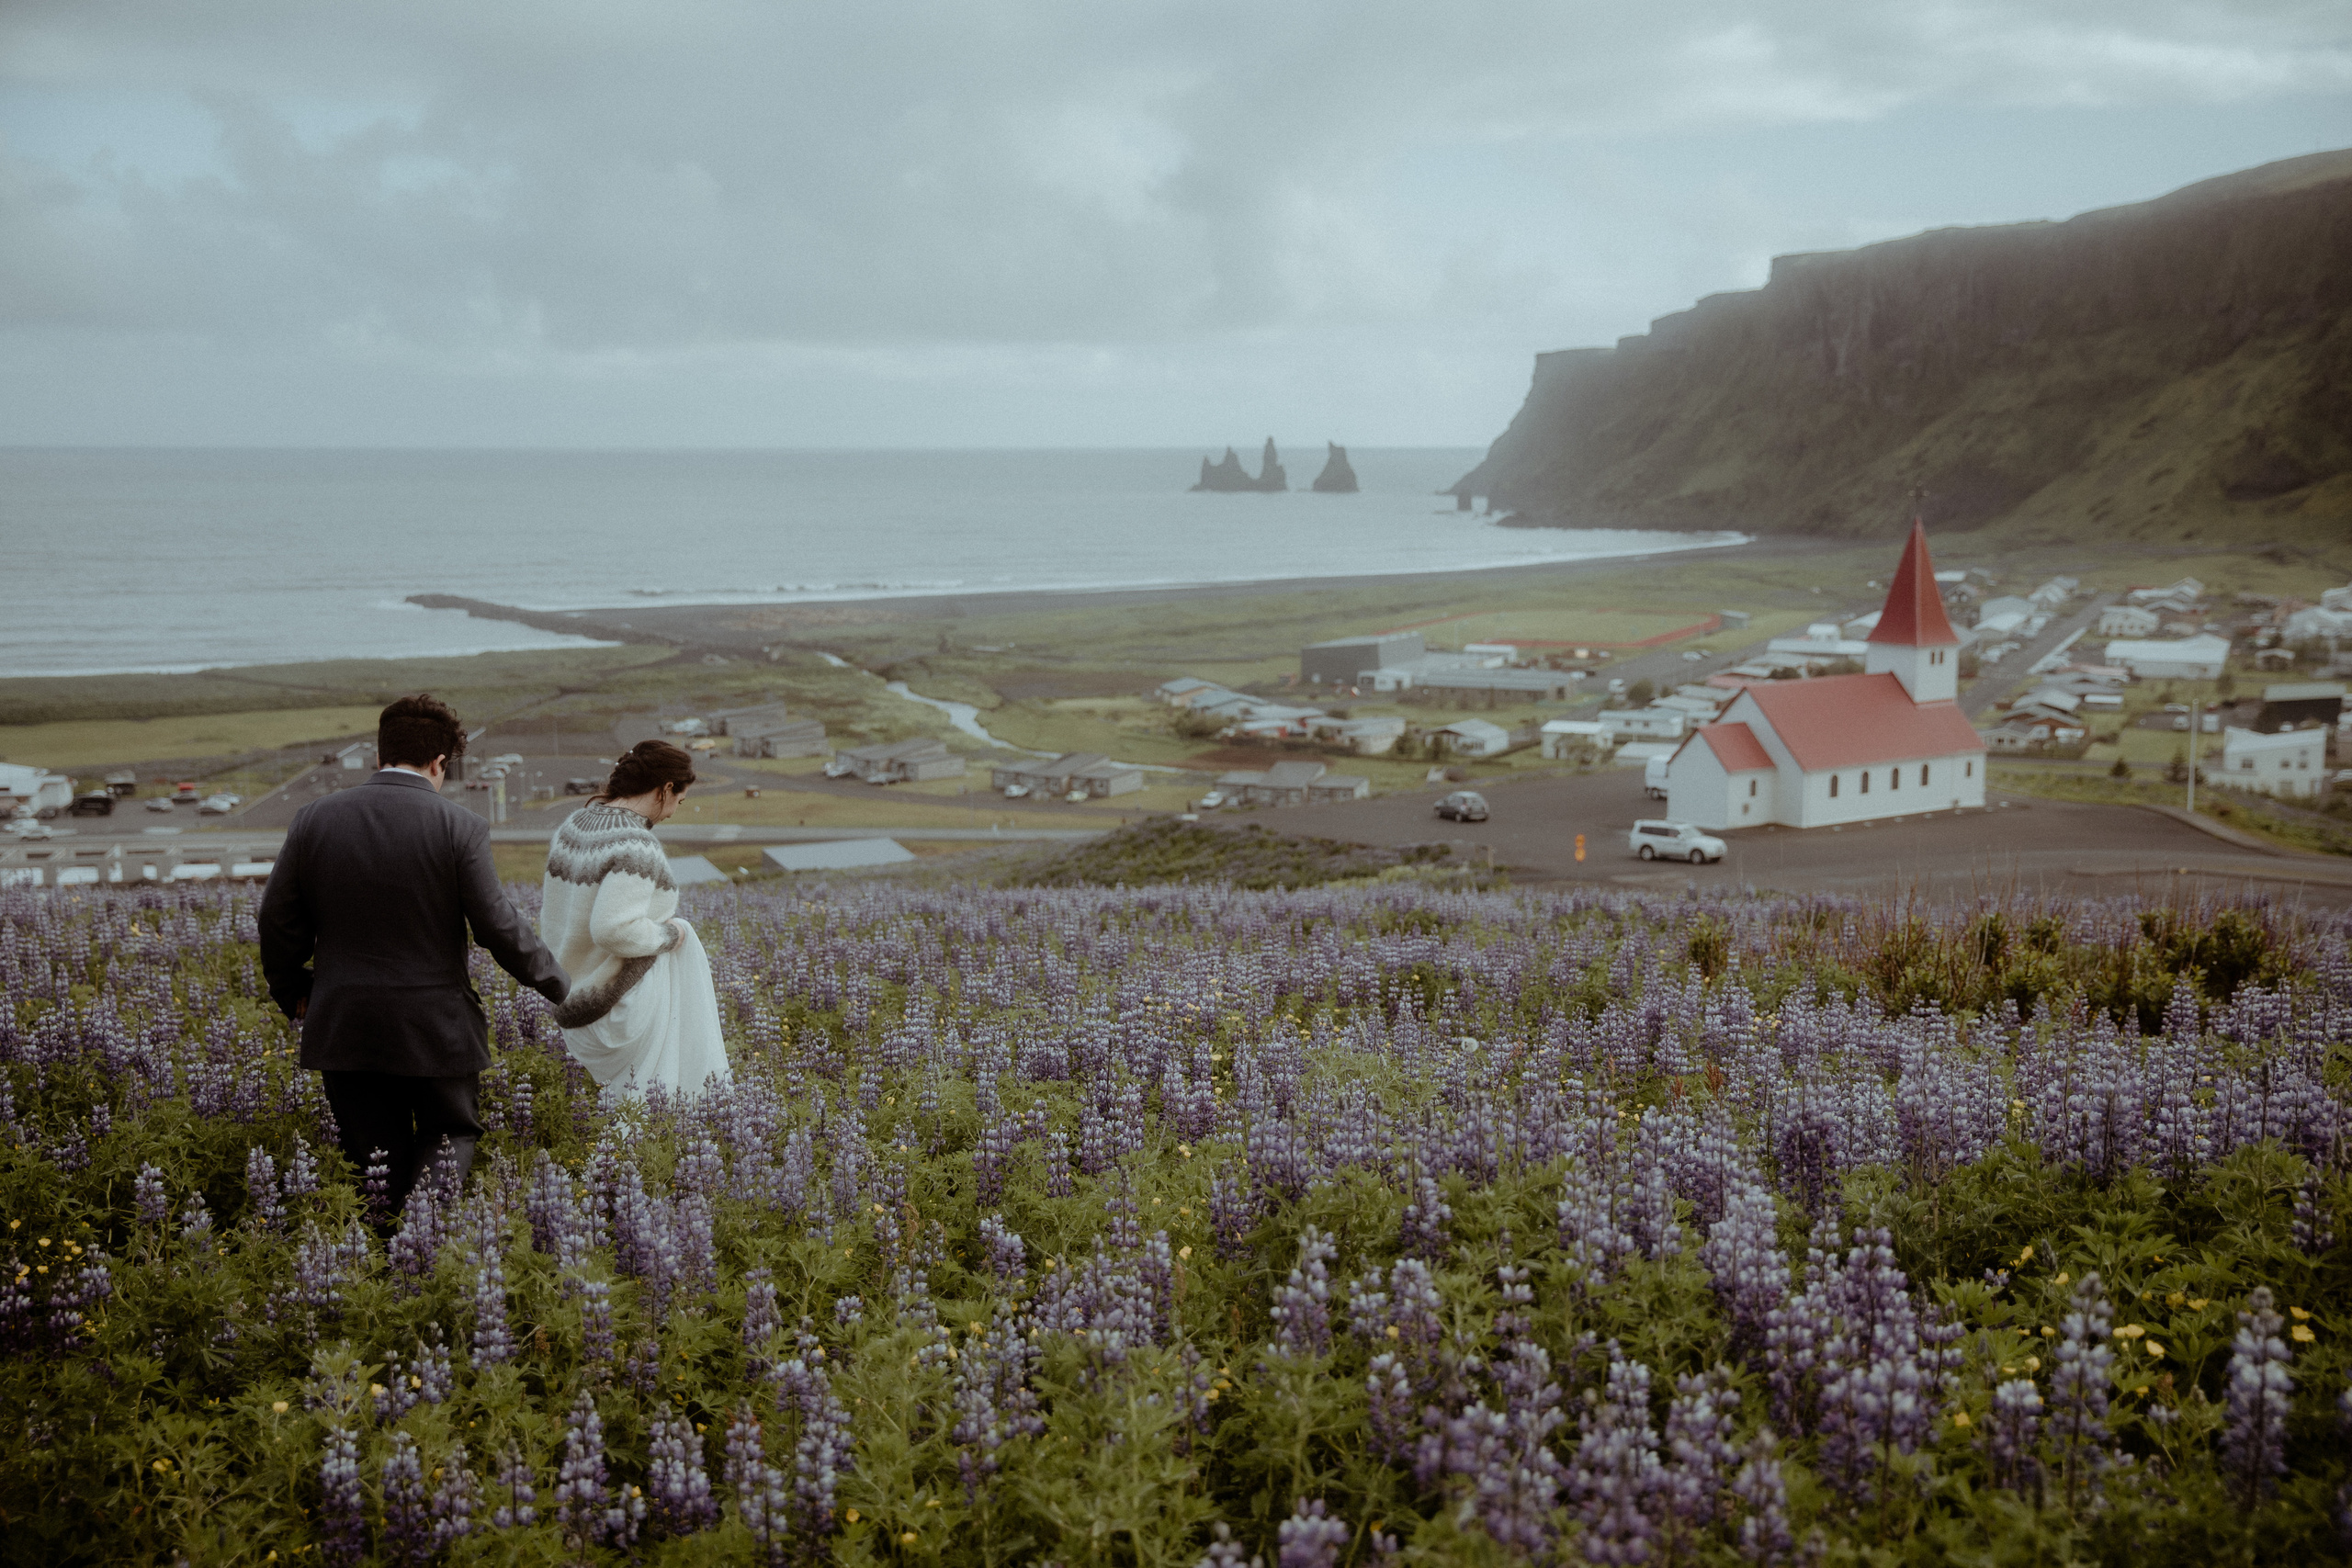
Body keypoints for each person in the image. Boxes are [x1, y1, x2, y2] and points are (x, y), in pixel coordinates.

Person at [259, 694, 568, 1212]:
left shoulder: (314, 818)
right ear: (439, 763)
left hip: (345, 1023)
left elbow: (276, 919)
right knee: (449, 1135)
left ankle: (386, 1262)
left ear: (380, 754)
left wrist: (295, 992)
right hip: (436, 1025)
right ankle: (424, 1249)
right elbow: (498, 927)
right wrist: (560, 986)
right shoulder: (459, 826)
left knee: (373, 1159)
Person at [541, 739, 730, 1098]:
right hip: (615, 1010)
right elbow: (613, 930)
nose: (674, 811)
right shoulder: (635, 844)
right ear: (666, 789)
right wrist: (671, 935)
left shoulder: (574, 826)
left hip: (570, 1003)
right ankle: (700, 1107)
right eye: (679, 800)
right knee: (682, 938)